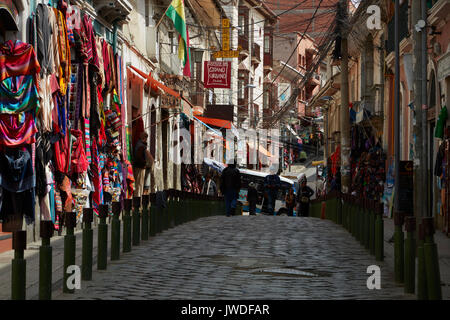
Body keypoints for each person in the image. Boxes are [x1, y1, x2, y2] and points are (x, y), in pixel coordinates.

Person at [133, 131, 153, 197]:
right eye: (146, 138)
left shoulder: (140, 144)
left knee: (139, 184)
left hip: (139, 167)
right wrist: (145, 163)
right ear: (144, 138)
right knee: (139, 184)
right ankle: (138, 199)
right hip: (140, 167)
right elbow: (139, 157)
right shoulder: (141, 146)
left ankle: (138, 198)